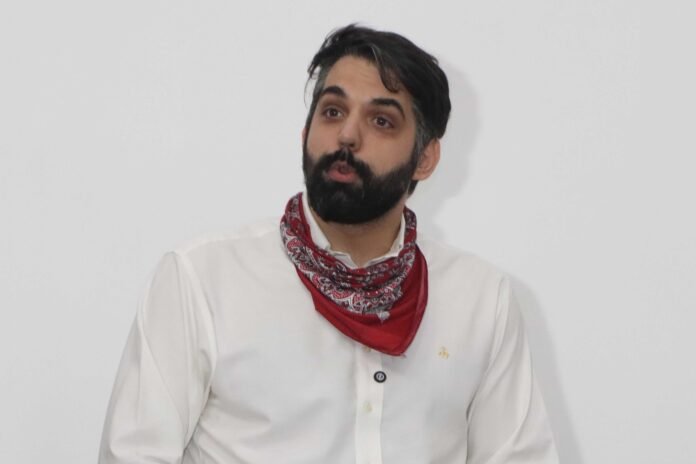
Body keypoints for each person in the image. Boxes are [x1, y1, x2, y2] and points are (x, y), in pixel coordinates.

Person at [99, 24, 558, 464]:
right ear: (305, 133)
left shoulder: (481, 300)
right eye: (332, 111)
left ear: (424, 158)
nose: (347, 136)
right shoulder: (202, 281)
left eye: (381, 120)